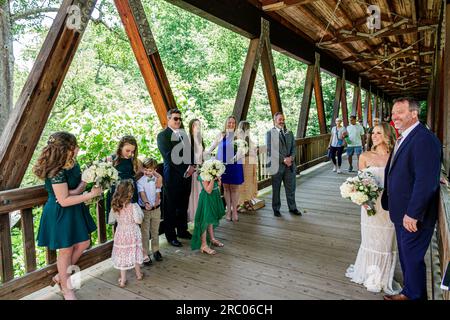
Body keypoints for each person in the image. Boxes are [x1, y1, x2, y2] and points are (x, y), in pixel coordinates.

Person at [381, 97, 441, 300]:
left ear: (414, 114)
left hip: (413, 215)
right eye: (393, 113)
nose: (394, 116)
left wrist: (413, 214)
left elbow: (425, 182)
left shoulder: (423, 139)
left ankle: (415, 297)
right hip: (401, 211)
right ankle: (409, 293)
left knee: (413, 258)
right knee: (407, 257)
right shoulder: (405, 136)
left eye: (400, 112)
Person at [33, 132, 102, 300]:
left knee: (84, 242)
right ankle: (66, 288)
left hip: (74, 208)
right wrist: (89, 195)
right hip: (60, 211)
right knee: (65, 250)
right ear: (65, 149)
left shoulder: (71, 162)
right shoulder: (55, 171)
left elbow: (74, 190)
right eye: (74, 146)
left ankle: (60, 276)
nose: (77, 148)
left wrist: (88, 178)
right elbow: (63, 199)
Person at [345, 123, 402, 295]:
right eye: (372, 133)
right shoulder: (364, 156)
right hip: (370, 206)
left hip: (390, 205)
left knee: (386, 241)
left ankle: (383, 277)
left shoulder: (396, 155)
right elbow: (360, 182)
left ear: (388, 135)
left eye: (379, 132)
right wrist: (359, 197)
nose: (374, 136)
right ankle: (369, 274)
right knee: (371, 240)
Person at [157, 109, 195, 247]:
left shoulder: (183, 134)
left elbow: (190, 152)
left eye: (179, 119)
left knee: (183, 205)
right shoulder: (162, 136)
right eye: (175, 118)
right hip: (172, 177)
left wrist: (192, 166)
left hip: (186, 176)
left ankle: (182, 230)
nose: (178, 121)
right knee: (170, 207)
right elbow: (169, 156)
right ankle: (171, 236)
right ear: (168, 119)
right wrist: (186, 169)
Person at [205, 116, 244, 222]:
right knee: (226, 188)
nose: (231, 124)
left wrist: (235, 158)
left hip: (235, 164)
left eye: (233, 123)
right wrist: (206, 153)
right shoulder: (221, 135)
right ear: (226, 123)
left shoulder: (238, 134)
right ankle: (228, 211)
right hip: (223, 165)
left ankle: (234, 211)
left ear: (235, 124)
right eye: (229, 122)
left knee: (234, 188)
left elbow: (241, 148)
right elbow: (213, 146)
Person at [110, 179, 144, 288]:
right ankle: (138, 274)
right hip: (133, 232)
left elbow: (111, 220)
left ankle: (123, 280)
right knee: (135, 250)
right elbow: (138, 220)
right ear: (130, 193)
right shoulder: (134, 206)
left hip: (121, 233)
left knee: (123, 254)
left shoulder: (115, 206)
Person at [266, 112, 301, 217]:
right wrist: (284, 160)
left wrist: (291, 158)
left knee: (291, 188)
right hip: (277, 166)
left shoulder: (289, 133)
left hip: (290, 166)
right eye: (280, 119)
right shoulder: (270, 133)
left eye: (283, 119)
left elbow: (294, 147)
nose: (282, 121)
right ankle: (276, 209)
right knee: (276, 189)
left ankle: (293, 208)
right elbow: (271, 149)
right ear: (274, 121)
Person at [105, 136, 142, 221]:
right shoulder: (112, 159)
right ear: (121, 147)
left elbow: (141, 172)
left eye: (132, 151)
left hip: (131, 193)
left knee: (131, 220)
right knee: (118, 220)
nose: (130, 154)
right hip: (116, 193)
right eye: (127, 151)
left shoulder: (133, 160)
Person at [137, 158, 163, 266]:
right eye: (146, 170)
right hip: (145, 210)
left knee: (155, 230)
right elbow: (142, 194)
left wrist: (157, 200)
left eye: (150, 170)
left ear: (154, 170)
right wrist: (146, 202)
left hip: (156, 209)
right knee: (145, 232)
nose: (148, 172)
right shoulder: (140, 181)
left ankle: (156, 250)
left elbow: (158, 191)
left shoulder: (156, 179)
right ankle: (145, 254)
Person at [191, 174, 226, 255]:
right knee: (205, 220)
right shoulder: (204, 174)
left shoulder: (212, 172)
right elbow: (208, 190)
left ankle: (212, 238)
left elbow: (218, 186)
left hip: (214, 196)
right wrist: (213, 179)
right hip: (207, 198)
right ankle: (203, 245)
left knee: (210, 219)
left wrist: (218, 179)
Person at [236, 120, 259, 212]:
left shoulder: (249, 139)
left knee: (249, 183)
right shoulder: (238, 139)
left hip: (250, 163)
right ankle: (239, 203)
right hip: (242, 164)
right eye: (247, 128)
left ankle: (247, 201)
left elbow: (253, 150)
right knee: (242, 184)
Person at [187, 119, 205, 222]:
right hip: (193, 171)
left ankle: (202, 214)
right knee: (194, 193)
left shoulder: (200, 139)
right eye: (195, 125)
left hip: (201, 170)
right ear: (191, 127)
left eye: (199, 125)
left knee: (201, 192)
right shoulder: (189, 139)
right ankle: (195, 215)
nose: (197, 127)